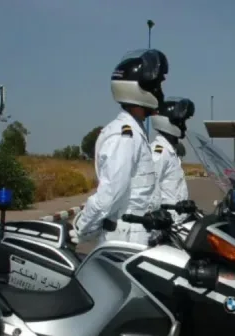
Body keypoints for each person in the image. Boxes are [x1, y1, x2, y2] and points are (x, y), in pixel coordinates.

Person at [72, 49, 169, 245]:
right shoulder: (124, 136)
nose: (159, 91)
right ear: (136, 89)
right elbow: (110, 194)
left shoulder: (135, 132)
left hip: (138, 233)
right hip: (125, 239)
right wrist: (81, 227)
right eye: (154, 86)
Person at [148, 97, 196, 224]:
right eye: (181, 122)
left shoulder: (171, 152)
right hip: (167, 225)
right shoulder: (159, 153)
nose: (184, 127)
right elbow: (149, 192)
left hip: (179, 222)